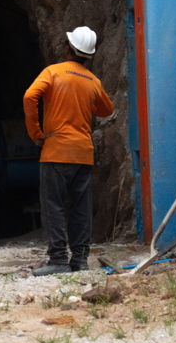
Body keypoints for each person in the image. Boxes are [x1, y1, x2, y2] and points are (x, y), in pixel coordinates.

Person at [23, 25, 114, 276]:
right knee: (80, 209)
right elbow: (107, 110)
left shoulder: (53, 72)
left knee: (54, 206)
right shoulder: (92, 80)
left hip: (56, 151)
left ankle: (59, 260)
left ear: (67, 49)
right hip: (84, 154)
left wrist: (36, 133)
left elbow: (30, 96)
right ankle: (80, 260)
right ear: (89, 55)